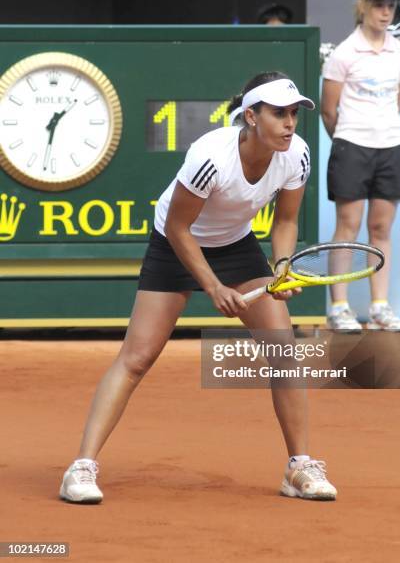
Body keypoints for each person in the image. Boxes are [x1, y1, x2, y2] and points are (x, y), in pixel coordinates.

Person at [59, 71, 337, 503]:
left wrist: (281, 267)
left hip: (236, 244)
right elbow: (178, 226)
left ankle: (299, 467)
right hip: (176, 243)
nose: (289, 123)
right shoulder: (212, 156)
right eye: (278, 113)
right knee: (137, 358)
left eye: (293, 114)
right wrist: (212, 286)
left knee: (283, 349)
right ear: (250, 116)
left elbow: (284, 222)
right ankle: (80, 467)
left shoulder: (295, 155)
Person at [321, 0, 400, 332]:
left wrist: (381, 130)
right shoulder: (343, 55)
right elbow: (330, 111)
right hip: (351, 146)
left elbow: (398, 100)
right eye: (379, 4)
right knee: (348, 226)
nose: (386, 11)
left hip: (391, 148)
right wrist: (348, 138)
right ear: (363, 7)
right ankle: (339, 307)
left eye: (391, 5)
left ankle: (379, 306)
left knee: (381, 228)